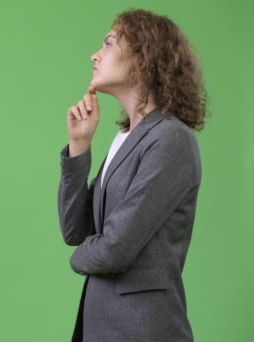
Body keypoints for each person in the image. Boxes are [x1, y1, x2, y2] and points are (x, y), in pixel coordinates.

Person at [57, 9, 207, 342]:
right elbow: (75, 229)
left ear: (143, 56)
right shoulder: (126, 139)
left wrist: (77, 258)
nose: (95, 55)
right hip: (103, 328)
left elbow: (116, 247)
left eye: (108, 43)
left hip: (141, 330)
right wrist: (79, 146)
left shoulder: (171, 139)